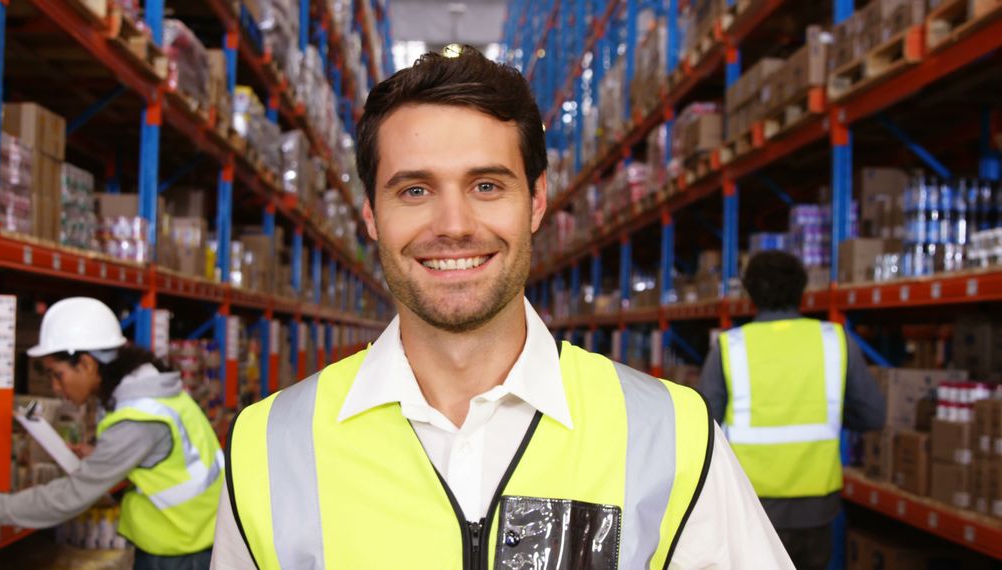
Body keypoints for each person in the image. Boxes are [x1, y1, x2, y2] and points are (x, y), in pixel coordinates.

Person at [212, 46, 792, 569]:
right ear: (370, 214)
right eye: (415, 190)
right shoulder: (267, 445)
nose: (454, 226)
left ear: (536, 201)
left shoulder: (672, 433)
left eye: (487, 186)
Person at [0, 297, 222, 570]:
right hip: (194, 538)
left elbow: (68, 498)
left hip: (180, 551)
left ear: (87, 364)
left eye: (57, 374)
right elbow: (165, 458)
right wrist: (105, 456)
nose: (55, 387)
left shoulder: (138, 419)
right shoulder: (153, 390)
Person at [699, 250, 886, 570]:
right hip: (816, 508)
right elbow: (873, 415)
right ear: (802, 289)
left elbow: (702, 429)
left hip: (749, 505)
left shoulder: (730, 346)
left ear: (751, 293)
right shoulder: (835, 340)